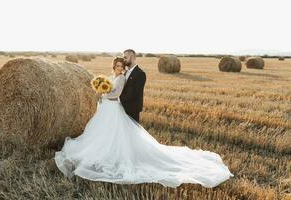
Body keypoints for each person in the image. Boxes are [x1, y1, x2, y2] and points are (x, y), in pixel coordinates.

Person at [54, 55, 234, 189]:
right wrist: (100, 92)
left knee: (113, 135)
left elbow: (116, 94)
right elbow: (106, 91)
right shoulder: (111, 76)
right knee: (99, 133)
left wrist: (104, 93)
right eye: (116, 66)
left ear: (122, 68)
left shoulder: (122, 78)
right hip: (104, 109)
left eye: (120, 66)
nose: (118, 68)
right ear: (113, 66)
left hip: (113, 108)